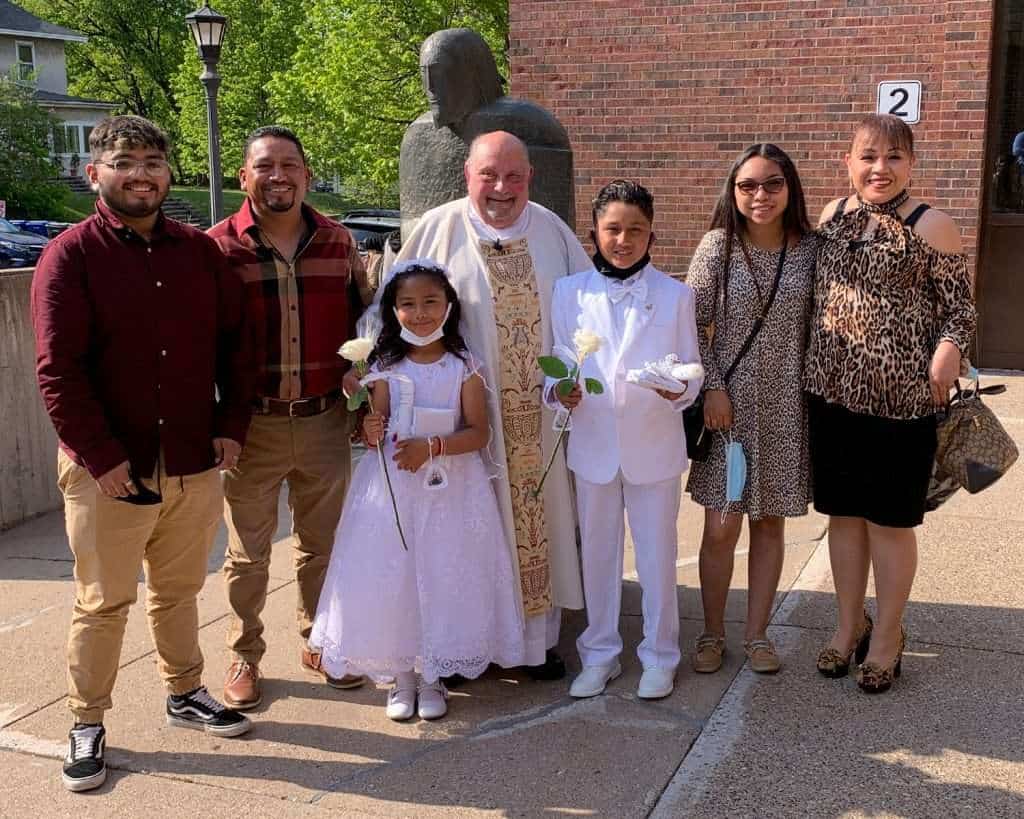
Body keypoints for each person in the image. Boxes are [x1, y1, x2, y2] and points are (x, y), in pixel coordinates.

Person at [31, 115, 253, 793]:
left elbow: (237, 346)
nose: (141, 175)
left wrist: (230, 424)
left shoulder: (199, 254)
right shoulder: (69, 256)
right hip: (109, 470)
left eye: (153, 162)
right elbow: (57, 370)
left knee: (180, 591)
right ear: (93, 172)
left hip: (190, 457)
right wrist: (101, 456)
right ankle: (86, 720)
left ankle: (185, 691)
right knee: (103, 602)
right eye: (124, 162)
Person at [369, 130, 591, 680]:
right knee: (458, 540)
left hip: (538, 421)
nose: (501, 188)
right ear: (467, 174)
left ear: (530, 178)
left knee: (538, 527)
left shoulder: (553, 233)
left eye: (514, 176)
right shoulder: (437, 229)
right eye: (488, 174)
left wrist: (578, 377)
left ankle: (533, 645)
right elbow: (390, 314)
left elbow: (588, 316)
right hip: (455, 426)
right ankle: (459, 647)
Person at [806, 114, 976, 693]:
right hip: (831, 394)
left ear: (911, 164)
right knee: (843, 517)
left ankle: (887, 636)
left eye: (894, 157)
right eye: (869, 156)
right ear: (849, 162)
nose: (880, 168)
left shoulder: (933, 225)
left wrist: (948, 350)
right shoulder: (832, 216)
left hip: (902, 402)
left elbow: (961, 310)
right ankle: (848, 625)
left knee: (890, 523)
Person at [311, 261, 525, 721]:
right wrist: (370, 428)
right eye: (408, 304)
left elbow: (480, 433)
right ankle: (402, 675)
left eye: (431, 302)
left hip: (452, 488)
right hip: (395, 486)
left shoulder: (464, 367)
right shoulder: (385, 367)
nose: (421, 313)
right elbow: (377, 428)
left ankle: (433, 675)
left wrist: (432, 447)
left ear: (448, 306)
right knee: (398, 577)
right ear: (393, 311)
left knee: (443, 574)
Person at [209, 126, 371, 710]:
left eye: (290, 165)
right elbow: (204, 341)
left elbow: (364, 325)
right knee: (247, 554)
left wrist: (363, 395)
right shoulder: (217, 248)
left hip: (325, 420)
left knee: (321, 546)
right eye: (264, 166)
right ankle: (244, 654)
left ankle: (318, 641)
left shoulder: (338, 242)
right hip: (253, 426)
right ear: (243, 177)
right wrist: (216, 424)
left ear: (306, 174)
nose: (278, 176)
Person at [549, 180, 702, 699]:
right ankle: (600, 653)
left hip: (653, 446)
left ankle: (660, 654)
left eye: (636, 229)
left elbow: (691, 368)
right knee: (598, 555)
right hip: (593, 445)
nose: (623, 239)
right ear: (594, 232)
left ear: (651, 234)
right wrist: (559, 391)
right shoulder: (569, 293)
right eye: (613, 228)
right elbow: (557, 362)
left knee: (657, 556)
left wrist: (678, 389)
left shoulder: (676, 295)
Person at [685, 144, 818, 675]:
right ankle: (712, 632)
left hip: (787, 406)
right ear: (733, 191)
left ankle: (758, 634)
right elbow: (688, 326)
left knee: (768, 524)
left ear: (790, 189)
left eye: (772, 184)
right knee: (721, 526)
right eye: (748, 185)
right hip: (728, 412)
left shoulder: (810, 249)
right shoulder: (718, 246)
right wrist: (713, 386)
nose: (760, 195)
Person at [399, 28, 576, 234]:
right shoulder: (417, 135)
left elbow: (553, 225)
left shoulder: (532, 127)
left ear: (472, 73)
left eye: (442, 72)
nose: (431, 86)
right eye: (425, 73)